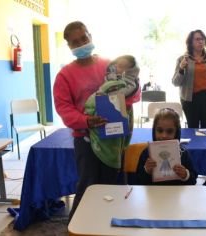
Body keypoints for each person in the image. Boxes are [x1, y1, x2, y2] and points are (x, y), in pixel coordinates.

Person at [53, 21, 118, 222]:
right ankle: (78, 227)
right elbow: (64, 110)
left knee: (112, 186)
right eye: (75, 42)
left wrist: (132, 88)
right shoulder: (65, 75)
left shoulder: (109, 65)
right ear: (69, 46)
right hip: (85, 139)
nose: (81, 44)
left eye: (84, 38)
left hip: (112, 137)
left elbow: (127, 94)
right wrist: (87, 121)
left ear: (90, 35)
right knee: (88, 186)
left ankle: (110, 224)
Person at [84, 55, 141, 169]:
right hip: (108, 106)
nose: (116, 66)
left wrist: (106, 93)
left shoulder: (130, 81)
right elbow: (107, 85)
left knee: (116, 132)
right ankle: (90, 134)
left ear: (129, 71)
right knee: (93, 111)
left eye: (120, 66)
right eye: (116, 64)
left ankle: (114, 158)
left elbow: (125, 91)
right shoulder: (111, 75)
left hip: (119, 108)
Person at [172, 29, 206, 128]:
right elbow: (175, 82)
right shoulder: (182, 59)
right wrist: (181, 68)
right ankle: (194, 144)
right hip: (190, 100)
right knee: (192, 128)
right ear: (190, 42)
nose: (201, 41)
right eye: (197, 39)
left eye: (203, 39)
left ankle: (205, 144)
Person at [136, 108, 197, 185]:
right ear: (154, 130)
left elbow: (193, 180)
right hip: (153, 195)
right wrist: (146, 171)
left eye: (170, 131)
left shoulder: (183, 153)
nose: (164, 136)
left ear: (176, 132)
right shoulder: (147, 153)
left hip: (177, 195)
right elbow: (137, 181)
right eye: (160, 130)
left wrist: (185, 175)